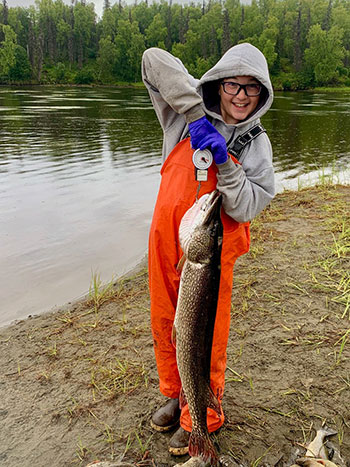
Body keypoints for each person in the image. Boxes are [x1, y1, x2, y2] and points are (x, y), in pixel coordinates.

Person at [141, 43, 275, 456]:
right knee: (168, 322)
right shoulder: (180, 118)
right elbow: (152, 60)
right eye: (234, 84)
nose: (241, 96)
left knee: (205, 337)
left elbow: (252, 203)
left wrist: (228, 168)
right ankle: (174, 393)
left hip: (210, 255)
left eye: (252, 89)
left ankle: (202, 419)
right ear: (219, 84)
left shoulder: (256, 143)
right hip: (168, 241)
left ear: (263, 94)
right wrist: (198, 120)